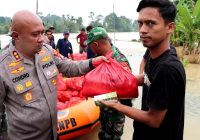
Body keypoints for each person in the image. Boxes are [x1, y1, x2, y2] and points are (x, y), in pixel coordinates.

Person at [0, 10, 107, 140]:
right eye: (35, 34)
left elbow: (69, 66)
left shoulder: (47, 51)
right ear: (16, 36)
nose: (42, 39)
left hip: (53, 133)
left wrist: (92, 63)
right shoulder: (3, 67)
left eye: (42, 32)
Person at [100, 0, 186, 140]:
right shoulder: (154, 57)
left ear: (170, 27)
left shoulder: (167, 68)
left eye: (151, 23)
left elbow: (153, 119)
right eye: (140, 23)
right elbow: (146, 78)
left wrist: (117, 105)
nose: (142, 30)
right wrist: (116, 83)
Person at [87, 27, 133, 140]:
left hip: (115, 115)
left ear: (96, 44)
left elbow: (128, 93)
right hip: (104, 112)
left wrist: (98, 98)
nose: (90, 48)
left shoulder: (119, 61)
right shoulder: (101, 59)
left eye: (90, 45)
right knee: (102, 136)